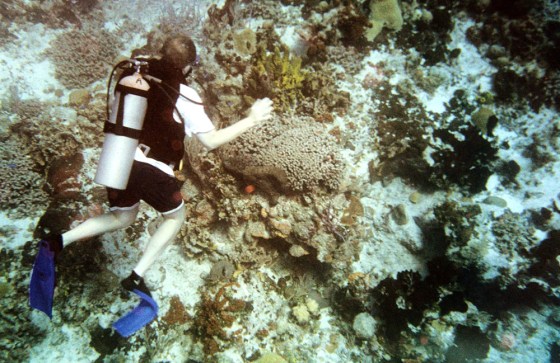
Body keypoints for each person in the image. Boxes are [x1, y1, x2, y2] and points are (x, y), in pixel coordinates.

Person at [33, 34, 273, 299]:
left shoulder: (133, 75)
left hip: (119, 157)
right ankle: (136, 277)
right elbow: (210, 141)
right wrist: (252, 118)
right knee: (175, 218)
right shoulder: (183, 93)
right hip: (149, 168)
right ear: (188, 66)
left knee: (123, 216)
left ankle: (59, 241)